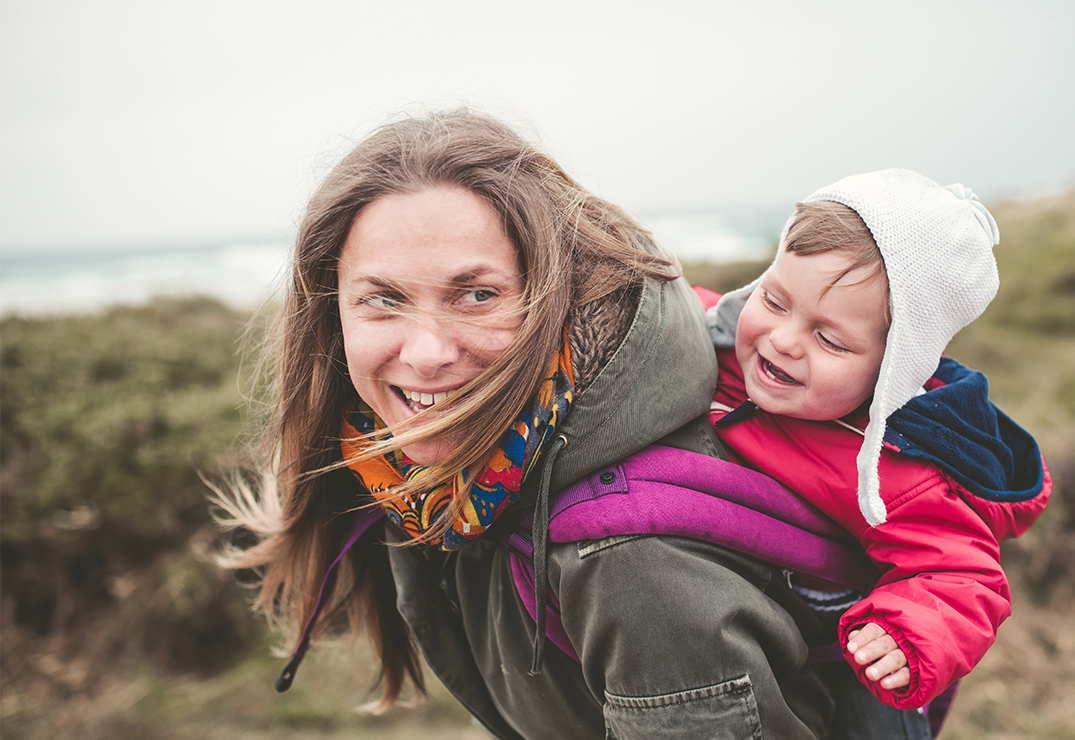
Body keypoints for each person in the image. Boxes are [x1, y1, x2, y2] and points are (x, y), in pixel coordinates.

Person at [212, 109, 840, 739]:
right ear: (333, 314)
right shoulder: (434, 481)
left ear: (556, 296)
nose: (426, 353)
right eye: (384, 299)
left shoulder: (633, 568)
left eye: (477, 295)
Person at [704, 169, 1052, 734]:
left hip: (851, 655)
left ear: (891, 371)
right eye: (773, 299)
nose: (784, 339)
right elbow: (668, 306)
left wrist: (903, 632)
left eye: (830, 339)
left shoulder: (895, 471)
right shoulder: (722, 349)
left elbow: (963, 575)